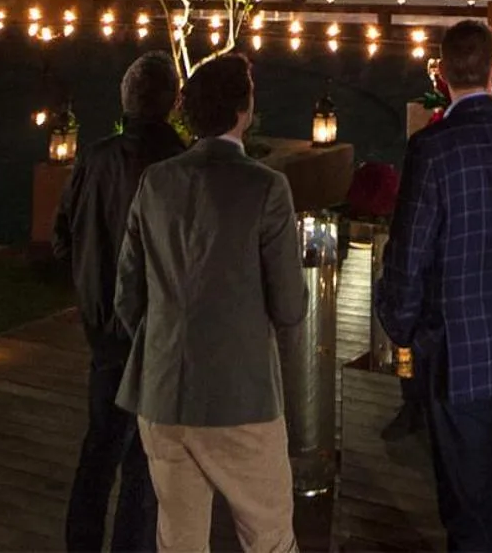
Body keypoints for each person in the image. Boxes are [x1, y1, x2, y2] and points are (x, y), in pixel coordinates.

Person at [378, 20, 492, 552]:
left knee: (467, 507)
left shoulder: (433, 148)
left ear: (441, 75)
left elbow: (407, 257)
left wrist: (404, 328)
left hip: (457, 351)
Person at [114, 54, 305, 553]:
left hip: (161, 393)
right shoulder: (266, 187)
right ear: (245, 111)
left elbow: (127, 294)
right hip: (239, 395)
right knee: (270, 539)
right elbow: (289, 305)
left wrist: (161, 344)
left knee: (178, 541)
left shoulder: (156, 182)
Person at [54, 52, 187, 553]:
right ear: (173, 104)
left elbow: (63, 235)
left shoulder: (95, 158)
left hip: (103, 331)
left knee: (100, 447)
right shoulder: (178, 166)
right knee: (146, 461)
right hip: (157, 333)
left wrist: (89, 290)